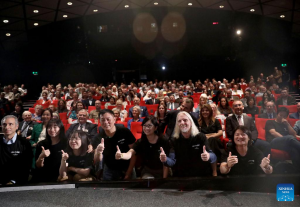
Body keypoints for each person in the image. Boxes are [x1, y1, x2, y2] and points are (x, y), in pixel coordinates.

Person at [160, 111, 216, 177]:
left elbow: (214, 157)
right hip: (181, 176)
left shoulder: (200, 137)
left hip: (200, 175)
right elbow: (172, 161)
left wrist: (208, 156)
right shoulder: (174, 140)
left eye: (185, 120)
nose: (182, 123)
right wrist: (165, 159)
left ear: (191, 122)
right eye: (179, 121)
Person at [93, 109, 136, 181]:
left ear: (114, 119)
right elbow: (97, 159)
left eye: (108, 119)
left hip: (126, 167)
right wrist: (98, 152)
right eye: (102, 120)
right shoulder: (98, 137)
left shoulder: (124, 131)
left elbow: (134, 153)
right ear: (99, 121)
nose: (105, 122)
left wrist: (129, 172)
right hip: (109, 168)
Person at [265, 107, 300, 172]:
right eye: (280, 115)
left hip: (285, 144)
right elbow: (273, 132)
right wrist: (285, 139)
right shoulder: (270, 122)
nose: (282, 117)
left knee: (294, 150)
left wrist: (288, 125)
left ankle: (297, 171)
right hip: (274, 142)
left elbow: (294, 134)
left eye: (284, 116)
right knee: (290, 138)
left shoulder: (285, 124)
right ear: (277, 114)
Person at [0, 115, 32, 185]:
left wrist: (13, 181)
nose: (7, 127)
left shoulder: (24, 143)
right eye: (4, 124)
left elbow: (26, 166)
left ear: (17, 126)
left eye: (10, 124)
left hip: (18, 185)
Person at [198, 104, 224, 176]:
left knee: (212, 140)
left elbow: (220, 133)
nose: (205, 112)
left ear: (210, 111)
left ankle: (214, 169)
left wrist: (208, 136)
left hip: (215, 143)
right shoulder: (198, 122)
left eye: (207, 110)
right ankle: (214, 168)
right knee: (210, 141)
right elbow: (198, 135)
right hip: (203, 144)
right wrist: (212, 134)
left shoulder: (215, 121)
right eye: (203, 111)